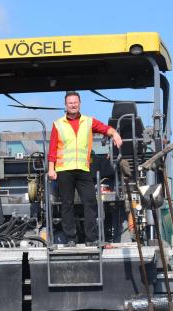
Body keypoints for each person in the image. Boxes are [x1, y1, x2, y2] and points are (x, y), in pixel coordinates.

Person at [47, 91, 122, 246]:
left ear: (80, 104)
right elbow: (52, 148)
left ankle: (91, 238)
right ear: (65, 105)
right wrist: (51, 169)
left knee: (90, 202)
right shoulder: (58, 124)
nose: (73, 105)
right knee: (67, 204)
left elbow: (105, 128)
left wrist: (114, 134)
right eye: (70, 103)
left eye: (75, 102)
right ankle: (71, 238)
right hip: (64, 169)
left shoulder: (88, 121)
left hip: (83, 169)